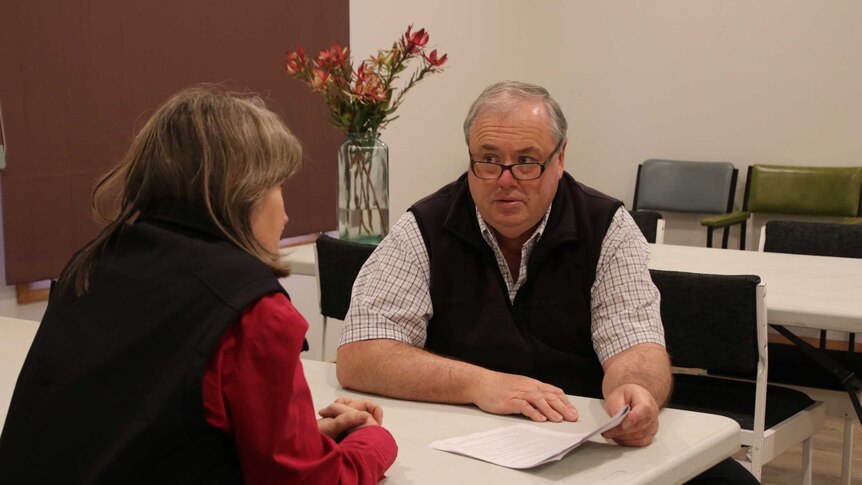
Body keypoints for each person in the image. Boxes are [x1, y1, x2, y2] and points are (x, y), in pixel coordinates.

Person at [336, 81, 757, 483]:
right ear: (469, 159)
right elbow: (361, 353)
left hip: (586, 438)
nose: (506, 179)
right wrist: (481, 383)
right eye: (488, 160)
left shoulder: (605, 226)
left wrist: (636, 390)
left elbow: (634, 342)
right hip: (463, 440)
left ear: (560, 159)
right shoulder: (426, 227)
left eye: (526, 161)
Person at [0, 86, 397, 484]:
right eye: (279, 187)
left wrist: (302, 437)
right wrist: (372, 441)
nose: (288, 214)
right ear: (244, 191)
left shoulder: (91, 267)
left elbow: (133, 425)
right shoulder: (251, 309)